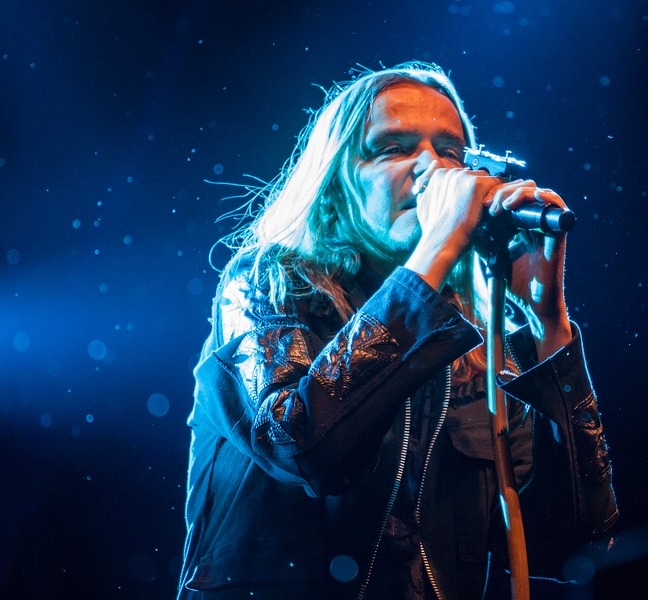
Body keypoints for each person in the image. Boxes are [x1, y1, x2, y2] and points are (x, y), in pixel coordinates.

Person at [178, 61, 618, 599]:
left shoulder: (483, 345)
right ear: (336, 183)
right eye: (394, 148)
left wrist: (548, 324)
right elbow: (304, 448)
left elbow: (574, 545)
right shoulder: (267, 283)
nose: (432, 168)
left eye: (451, 151)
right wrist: (435, 251)